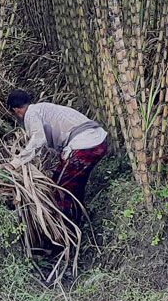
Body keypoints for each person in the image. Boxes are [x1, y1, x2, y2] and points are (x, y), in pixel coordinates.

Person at [7, 89, 109, 223]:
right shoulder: (44, 108)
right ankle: (80, 220)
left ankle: (65, 230)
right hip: (99, 142)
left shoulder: (31, 114)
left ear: (16, 110)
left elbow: (38, 140)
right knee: (76, 185)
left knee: (59, 189)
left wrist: (15, 163)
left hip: (83, 147)